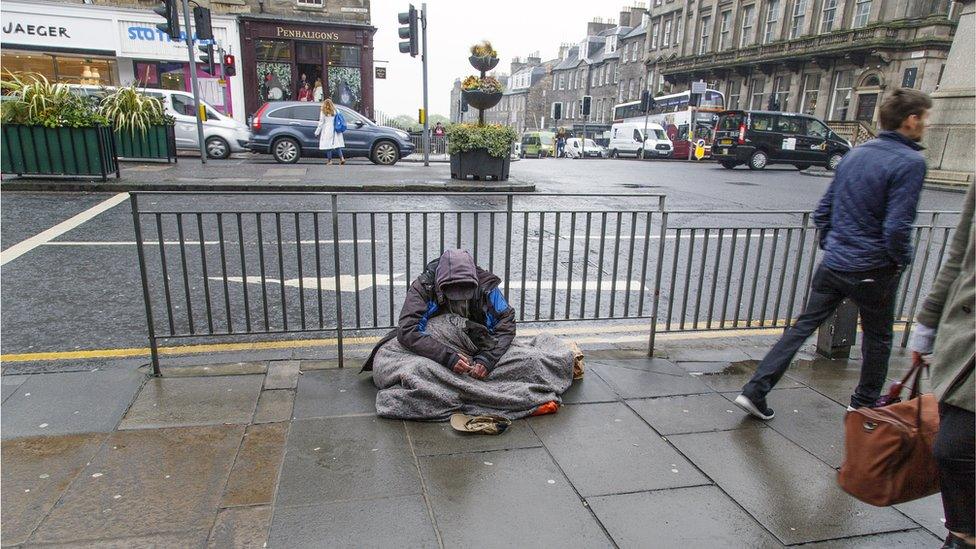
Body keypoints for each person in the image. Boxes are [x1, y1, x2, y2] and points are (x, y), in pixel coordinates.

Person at [734, 88, 933, 420]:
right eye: (925, 118)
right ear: (910, 120)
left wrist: (835, 245)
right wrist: (900, 259)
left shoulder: (855, 155)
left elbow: (823, 211)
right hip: (873, 268)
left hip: (835, 263)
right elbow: (897, 226)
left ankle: (755, 390)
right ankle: (863, 405)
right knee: (878, 339)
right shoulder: (911, 162)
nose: (926, 125)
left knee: (801, 327)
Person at [909, 184, 974, 549]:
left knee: (953, 448)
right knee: (953, 446)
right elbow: (959, 251)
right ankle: (961, 533)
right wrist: (928, 321)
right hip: (961, 339)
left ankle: (964, 536)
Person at [363, 249, 515, 380]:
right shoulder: (423, 287)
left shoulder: (486, 286)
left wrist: (487, 359)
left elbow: (506, 320)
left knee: (523, 360)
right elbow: (408, 329)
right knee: (416, 370)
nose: (460, 295)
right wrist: (447, 357)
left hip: (476, 341)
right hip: (439, 343)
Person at [314, 98, 345, 165]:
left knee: (328, 146)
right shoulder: (336, 110)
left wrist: (317, 132)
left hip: (327, 129)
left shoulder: (323, 111)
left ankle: (330, 160)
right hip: (335, 129)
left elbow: (321, 122)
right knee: (337, 145)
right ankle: (342, 158)